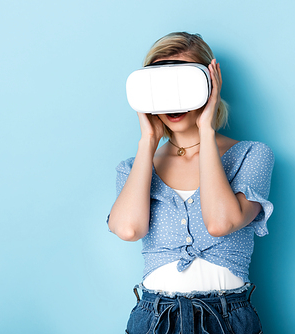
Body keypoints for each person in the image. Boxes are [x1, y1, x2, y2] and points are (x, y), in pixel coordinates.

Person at [108, 32, 274, 334]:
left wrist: (206, 131)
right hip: (154, 317)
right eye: (162, 88)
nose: (173, 101)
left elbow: (220, 223)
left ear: (210, 86)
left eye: (184, 85)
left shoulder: (251, 154)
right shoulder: (133, 168)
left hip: (227, 317)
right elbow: (128, 229)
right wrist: (148, 140)